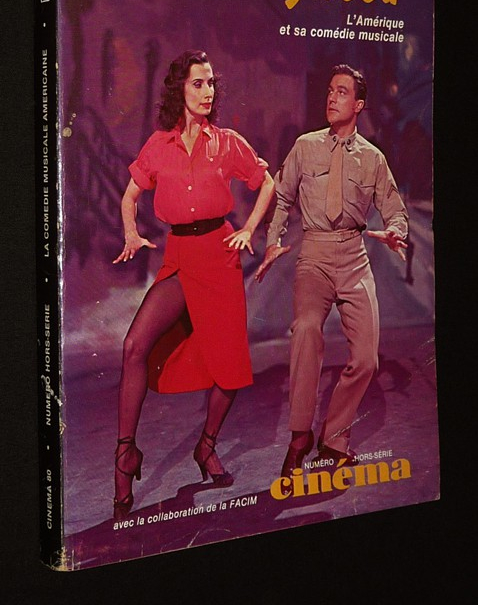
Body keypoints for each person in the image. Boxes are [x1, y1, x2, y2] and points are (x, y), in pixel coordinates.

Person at [112, 49, 274, 518]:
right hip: (180, 259)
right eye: (198, 83)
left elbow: (266, 181)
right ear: (179, 89)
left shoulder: (227, 142)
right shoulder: (158, 145)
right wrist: (130, 233)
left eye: (211, 83)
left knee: (230, 368)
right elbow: (130, 195)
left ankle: (206, 445)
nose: (207, 92)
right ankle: (125, 455)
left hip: (219, 258)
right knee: (134, 346)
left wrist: (249, 229)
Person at [255, 64, 408, 477]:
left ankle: (334, 437)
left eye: (342, 92)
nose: (332, 97)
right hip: (315, 258)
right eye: (330, 90)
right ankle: (299, 436)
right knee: (306, 329)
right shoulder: (305, 147)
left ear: (358, 105)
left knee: (367, 360)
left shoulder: (373, 158)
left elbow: (395, 209)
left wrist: (396, 231)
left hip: (355, 259)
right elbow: (282, 197)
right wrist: (272, 240)